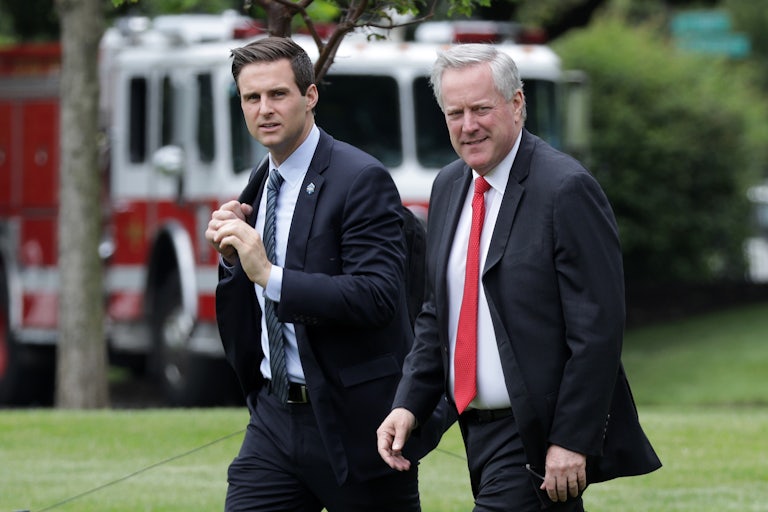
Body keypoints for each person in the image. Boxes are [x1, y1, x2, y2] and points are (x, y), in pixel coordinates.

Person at [376, 43, 661, 511]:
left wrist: (572, 438)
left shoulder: (566, 189)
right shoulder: (448, 185)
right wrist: (408, 403)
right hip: (475, 432)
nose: (468, 125)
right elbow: (437, 313)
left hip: (536, 436)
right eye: (455, 113)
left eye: (481, 109)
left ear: (516, 104)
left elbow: (597, 330)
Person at [206, 37, 440, 511]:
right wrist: (233, 261)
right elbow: (245, 302)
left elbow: (377, 295)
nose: (264, 109)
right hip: (274, 419)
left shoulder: (362, 178)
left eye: (278, 94)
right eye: (252, 98)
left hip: (358, 426)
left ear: (310, 96)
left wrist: (270, 274)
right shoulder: (261, 181)